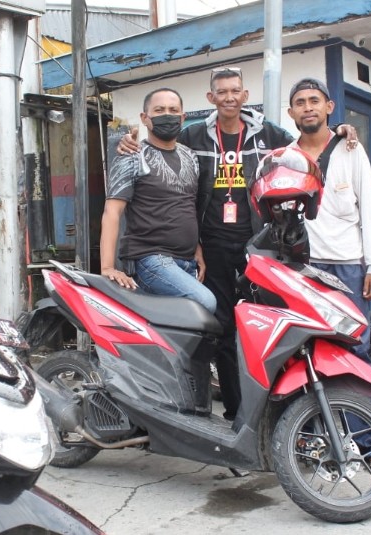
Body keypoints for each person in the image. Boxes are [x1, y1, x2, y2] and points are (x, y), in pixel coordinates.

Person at [118, 67, 358, 421]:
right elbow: (158, 146)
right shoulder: (193, 136)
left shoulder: (269, 135)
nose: (229, 97)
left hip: (259, 246)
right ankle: (234, 410)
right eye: (221, 92)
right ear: (211, 98)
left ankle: (278, 410)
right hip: (211, 246)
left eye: (235, 91)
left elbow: (307, 142)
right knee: (224, 327)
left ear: (245, 96)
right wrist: (127, 140)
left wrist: (339, 132)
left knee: (267, 327)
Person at [287, 77, 371, 362]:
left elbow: (370, 208)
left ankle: (359, 408)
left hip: (349, 267)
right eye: (300, 103)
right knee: (310, 346)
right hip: (305, 269)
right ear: (291, 112)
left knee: (354, 343)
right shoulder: (286, 157)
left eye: (314, 101)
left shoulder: (350, 149)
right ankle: (315, 408)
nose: (308, 108)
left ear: (329, 107)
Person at [101, 87, 217, 314]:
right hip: (150, 258)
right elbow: (112, 212)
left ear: (183, 118)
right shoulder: (131, 155)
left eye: (173, 110)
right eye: (159, 110)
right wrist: (107, 267)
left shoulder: (189, 156)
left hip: (186, 260)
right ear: (145, 118)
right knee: (205, 302)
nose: (167, 115)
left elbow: (186, 205)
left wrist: (196, 247)